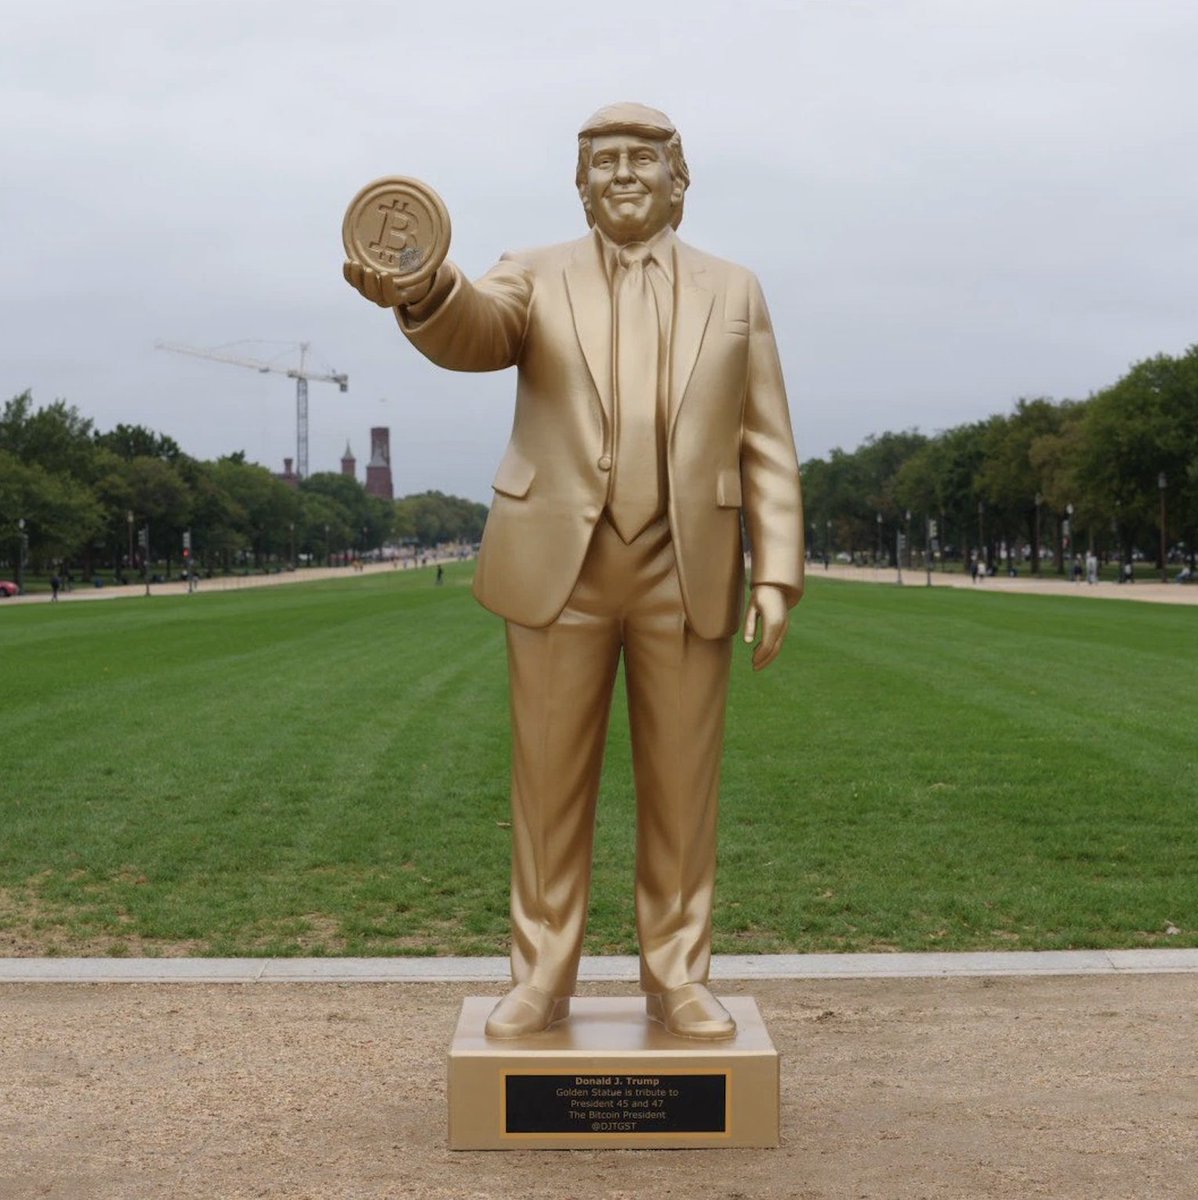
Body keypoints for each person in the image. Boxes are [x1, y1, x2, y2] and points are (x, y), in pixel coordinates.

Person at [344, 102, 803, 1041]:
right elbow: (474, 329)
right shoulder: (532, 273)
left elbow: (766, 439)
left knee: (684, 794)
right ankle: (540, 978)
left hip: (688, 564)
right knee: (548, 792)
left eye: (643, 158)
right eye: (604, 160)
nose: (623, 173)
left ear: (679, 178)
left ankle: (679, 977)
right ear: (580, 184)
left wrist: (777, 571)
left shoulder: (736, 290)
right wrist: (424, 287)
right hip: (561, 567)